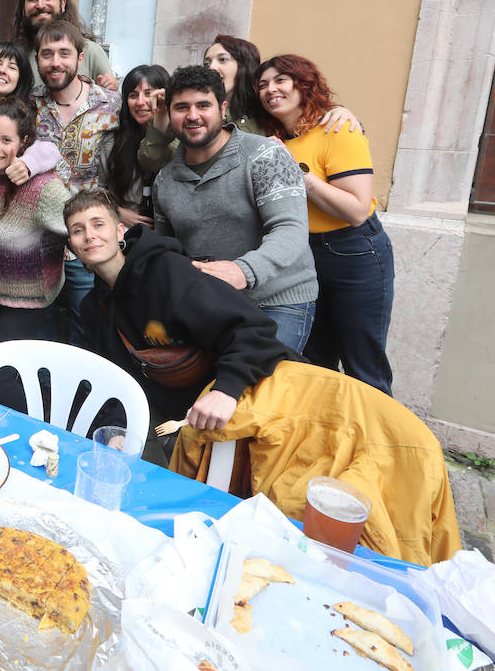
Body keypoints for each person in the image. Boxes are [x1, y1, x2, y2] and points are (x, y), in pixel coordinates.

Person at [66, 189, 296, 459]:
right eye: (78, 230)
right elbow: (115, 377)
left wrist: (226, 390)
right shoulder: (94, 307)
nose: (90, 235)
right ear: (71, 246)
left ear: (119, 232)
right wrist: (118, 427)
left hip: (245, 395)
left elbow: (252, 328)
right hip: (178, 414)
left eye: (98, 224)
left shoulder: (167, 272)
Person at [152, 65, 318, 352]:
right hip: (211, 304)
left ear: (222, 108)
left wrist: (244, 271)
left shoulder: (265, 155)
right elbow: (170, 251)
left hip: (278, 301)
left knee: (259, 391)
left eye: (203, 105)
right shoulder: (164, 181)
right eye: (181, 107)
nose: (193, 116)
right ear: (170, 113)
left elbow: (290, 229)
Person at [257, 54, 396, 395]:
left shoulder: (337, 129)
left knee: (363, 365)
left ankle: (378, 446)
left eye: (280, 80)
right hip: (304, 257)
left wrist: (298, 172)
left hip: (354, 251)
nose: (270, 90)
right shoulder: (275, 140)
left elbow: (357, 210)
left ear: (304, 84)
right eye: (262, 85)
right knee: (317, 365)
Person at [140, 34, 358, 172]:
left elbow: (309, 121)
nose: (212, 67)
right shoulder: (197, 115)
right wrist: (159, 120)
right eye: (207, 62)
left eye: (222, 60)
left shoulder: (265, 107)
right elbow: (153, 162)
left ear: (244, 66)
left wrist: (339, 111)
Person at [29, 19, 121, 343]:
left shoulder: (110, 104)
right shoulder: (30, 104)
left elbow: (128, 161)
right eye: (47, 54)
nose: (55, 62)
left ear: (80, 59)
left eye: (64, 53)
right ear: (38, 59)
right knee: (41, 326)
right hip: (41, 239)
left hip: (87, 239)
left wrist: (124, 210)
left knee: (88, 323)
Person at [0, 98, 71, 359]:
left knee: (2, 376)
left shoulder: (43, 188)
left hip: (28, 300)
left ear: (24, 142)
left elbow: (79, 226)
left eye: (5, 140)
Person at [10, 0, 118, 91]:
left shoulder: (91, 52)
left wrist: (111, 87)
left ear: (62, 4)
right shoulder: (15, 57)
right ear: (23, 8)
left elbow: (111, 100)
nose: (40, 5)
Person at [106, 64, 168, 229]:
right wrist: (117, 211)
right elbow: (99, 187)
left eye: (148, 94)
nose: (140, 102)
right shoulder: (113, 141)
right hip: (124, 231)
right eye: (133, 95)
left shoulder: (180, 138)